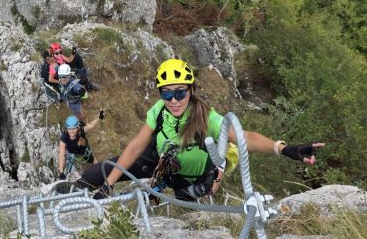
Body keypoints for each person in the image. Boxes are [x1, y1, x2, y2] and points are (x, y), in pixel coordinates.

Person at [79, 58, 324, 200]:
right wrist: (109, 184)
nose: (173, 100)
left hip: (191, 176)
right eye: (166, 93)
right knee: (92, 176)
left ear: (191, 91)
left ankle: (192, 187)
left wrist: (283, 148)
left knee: (187, 200)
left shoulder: (208, 118)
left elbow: (244, 137)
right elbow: (136, 146)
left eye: (179, 92)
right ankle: (72, 189)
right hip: (159, 161)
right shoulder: (159, 111)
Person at [57, 111, 105, 180]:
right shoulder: (64, 137)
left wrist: (99, 117)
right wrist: (61, 171)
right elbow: (61, 154)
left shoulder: (81, 131)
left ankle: (98, 166)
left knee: (90, 159)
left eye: (73, 129)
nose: (71, 131)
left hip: (82, 149)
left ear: (77, 127)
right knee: (69, 154)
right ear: (67, 128)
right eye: (69, 129)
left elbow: (91, 126)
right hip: (71, 150)